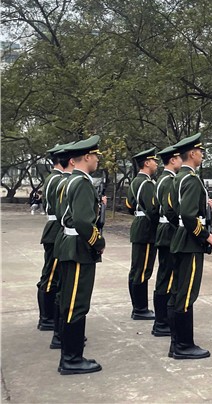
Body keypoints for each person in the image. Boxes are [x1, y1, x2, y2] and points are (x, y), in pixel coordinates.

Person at [56, 135, 105, 374]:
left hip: (69, 244)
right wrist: (98, 242)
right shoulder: (83, 183)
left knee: (70, 301)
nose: (97, 160)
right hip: (78, 248)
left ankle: (70, 355)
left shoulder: (69, 180)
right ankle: (72, 359)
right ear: (87, 157)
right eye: (95, 156)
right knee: (77, 302)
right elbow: (84, 222)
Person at [168, 133, 212, 359]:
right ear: (193, 154)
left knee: (178, 292)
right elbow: (187, 214)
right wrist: (204, 235)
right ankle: (184, 346)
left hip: (180, 238)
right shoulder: (192, 180)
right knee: (186, 294)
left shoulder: (177, 178)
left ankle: (176, 343)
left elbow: (171, 209)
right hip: (190, 242)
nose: (202, 155)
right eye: (201, 152)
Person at [36, 143, 70, 332]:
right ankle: (47, 318)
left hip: (54, 228)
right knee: (50, 276)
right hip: (56, 229)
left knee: (52, 274)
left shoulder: (53, 178)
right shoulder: (58, 179)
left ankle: (48, 317)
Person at [151, 143, 182, 337]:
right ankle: (162, 322)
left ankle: (160, 321)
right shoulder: (170, 181)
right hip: (170, 232)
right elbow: (171, 210)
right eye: (179, 158)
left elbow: (154, 209)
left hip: (163, 230)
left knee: (164, 276)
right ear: (172, 160)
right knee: (168, 277)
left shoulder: (160, 180)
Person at [125, 148, 160, 320]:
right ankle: (140, 309)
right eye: (154, 161)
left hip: (139, 225)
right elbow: (153, 210)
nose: (156, 164)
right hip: (146, 229)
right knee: (142, 270)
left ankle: (138, 307)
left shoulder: (134, 182)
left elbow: (129, 206)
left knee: (137, 268)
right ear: (146, 163)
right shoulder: (146, 184)